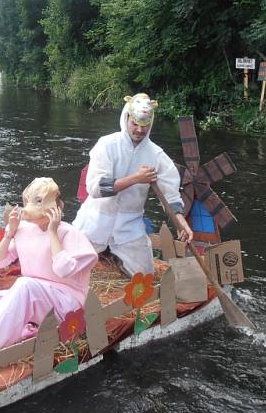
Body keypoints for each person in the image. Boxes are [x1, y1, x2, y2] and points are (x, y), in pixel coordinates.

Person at [0, 178, 98, 374]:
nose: (30, 206)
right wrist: (9, 233)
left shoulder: (69, 233)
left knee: (24, 284)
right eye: (29, 200)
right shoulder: (24, 230)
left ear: (54, 204)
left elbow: (64, 270)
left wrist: (53, 232)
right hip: (32, 297)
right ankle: (23, 331)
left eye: (38, 201)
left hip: (65, 303)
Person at [72, 93, 193, 276]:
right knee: (69, 267)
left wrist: (180, 222)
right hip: (96, 218)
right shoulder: (106, 145)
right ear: (126, 118)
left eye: (144, 126)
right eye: (135, 124)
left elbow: (171, 194)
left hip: (129, 223)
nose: (139, 130)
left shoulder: (156, 154)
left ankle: (116, 258)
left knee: (145, 276)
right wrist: (137, 178)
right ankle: (104, 254)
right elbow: (96, 188)